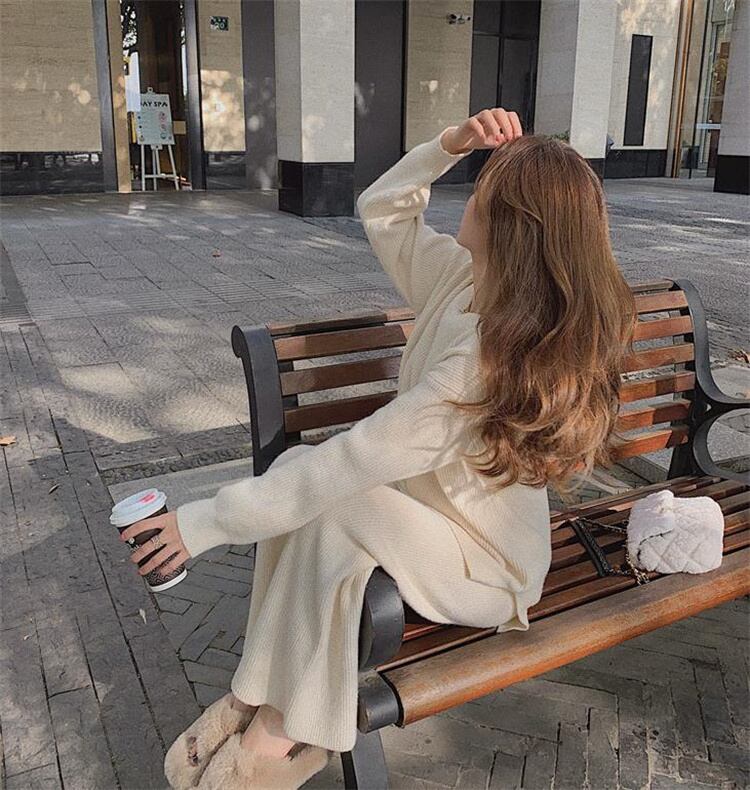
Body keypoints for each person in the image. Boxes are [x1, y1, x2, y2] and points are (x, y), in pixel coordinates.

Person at [121, 107, 637, 789]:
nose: (471, 191)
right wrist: (449, 144)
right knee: (301, 474)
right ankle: (261, 696)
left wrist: (202, 524)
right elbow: (384, 208)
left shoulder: (485, 363)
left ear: (509, 222)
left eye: (483, 185)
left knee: (334, 504)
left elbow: (355, 460)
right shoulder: (467, 281)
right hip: (428, 524)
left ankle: (271, 741)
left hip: (486, 567)